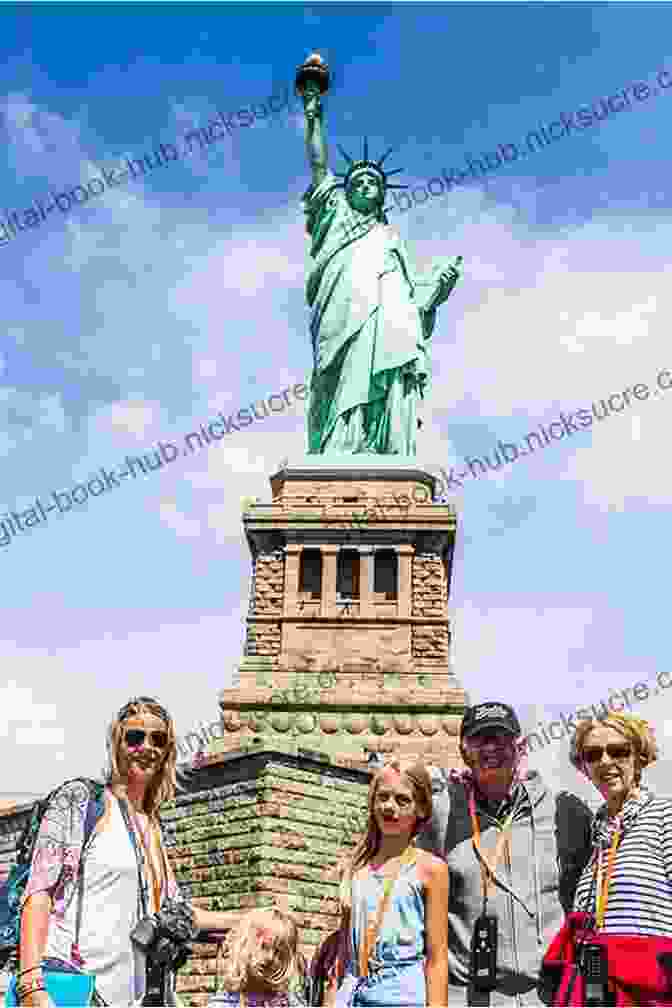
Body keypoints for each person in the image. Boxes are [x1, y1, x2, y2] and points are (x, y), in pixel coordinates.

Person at [10, 696, 239, 1007]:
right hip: (71, 991)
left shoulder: (155, 828)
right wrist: (31, 984)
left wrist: (248, 919)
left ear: (168, 750)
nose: (146, 746)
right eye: (134, 737)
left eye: (157, 739)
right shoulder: (79, 801)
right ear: (116, 744)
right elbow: (39, 891)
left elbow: (177, 914)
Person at [299, 56, 461, 457]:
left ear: (383, 194)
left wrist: (435, 293)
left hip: (387, 313)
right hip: (343, 308)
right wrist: (313, 115)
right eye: (359, 180)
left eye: (375, 182)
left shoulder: (389, 237)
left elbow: (410, 296)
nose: (367, 185)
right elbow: (319, 166)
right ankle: (341, 442)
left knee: (390, 362)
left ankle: (381, 442)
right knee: (342, 373)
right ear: (347, 189)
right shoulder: (334, 215)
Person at [416, 701, 593, 1007]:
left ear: (521, 747)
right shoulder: (441, 813)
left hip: (546, 996)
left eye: (501, 738)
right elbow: (410, 892)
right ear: (463, 751)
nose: (491, 748)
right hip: (468, 997)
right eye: (480, 739)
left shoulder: (565, 813)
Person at [544, 711, 672, 1005]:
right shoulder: (598, 833)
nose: (605, 761)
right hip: (599, 992)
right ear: (584, 767)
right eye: (592, 754)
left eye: (618, 751)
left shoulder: (665, 816)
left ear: (639, 757)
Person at [322, 756, 449, 1008]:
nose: (390, 807)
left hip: (401, 997)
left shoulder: (431, 870)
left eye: (402, 800)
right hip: (353, 993)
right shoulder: (356, 867)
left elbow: (437, 958)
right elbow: (343, 955)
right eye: (383, 797)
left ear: (421, 808)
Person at [207, 908, 306, 1007]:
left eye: (278, 952)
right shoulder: (225, 1003)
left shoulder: (289, 1002)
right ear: (243, 945)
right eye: (263, 947)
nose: (270, 957)